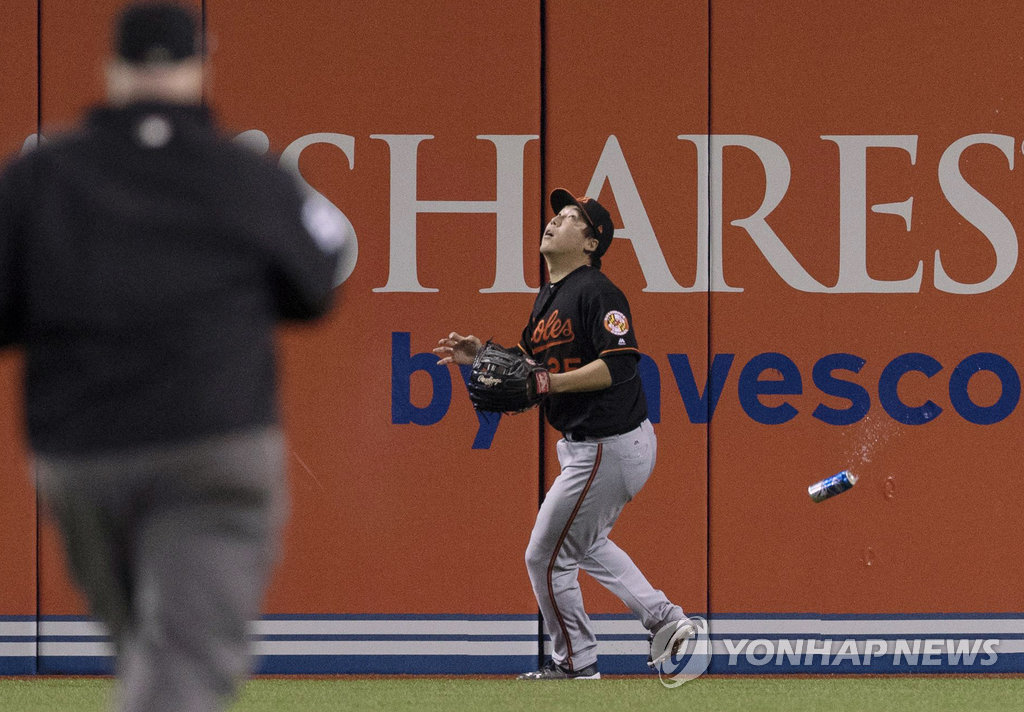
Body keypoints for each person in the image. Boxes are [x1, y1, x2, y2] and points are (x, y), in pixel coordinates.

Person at [0, 3, 344, 710]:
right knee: (179, 659)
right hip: (213, 443)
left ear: (114, 68)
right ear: (198, 66)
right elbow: (317, 285)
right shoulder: (248, 176)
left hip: (84, 452)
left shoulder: (41, 177)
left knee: (154, 652)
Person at [436, 189, 696, 679]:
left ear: (592, 243)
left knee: (545, 556)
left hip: (607, 443)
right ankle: (666, 619)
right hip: (595, 446)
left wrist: (550, 383)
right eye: (556, 215)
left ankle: (575, 663)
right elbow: (527, 362)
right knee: (583, 544)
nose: (555, 221)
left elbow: (619, 365)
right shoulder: (550, 296)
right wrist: (482, 354)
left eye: (571, 217)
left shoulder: (598, 292)